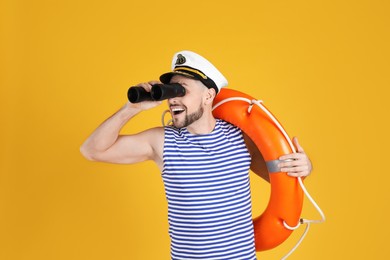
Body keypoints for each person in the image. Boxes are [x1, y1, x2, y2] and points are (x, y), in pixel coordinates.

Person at [80, 50, 312, 260]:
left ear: (209, 95)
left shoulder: (240, 138)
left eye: (181, 90)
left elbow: (283, 181)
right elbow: (92, 150)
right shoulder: (161, 141)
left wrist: (304, 167)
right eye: (170, 92)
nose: (172, 99)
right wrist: (130, 109)